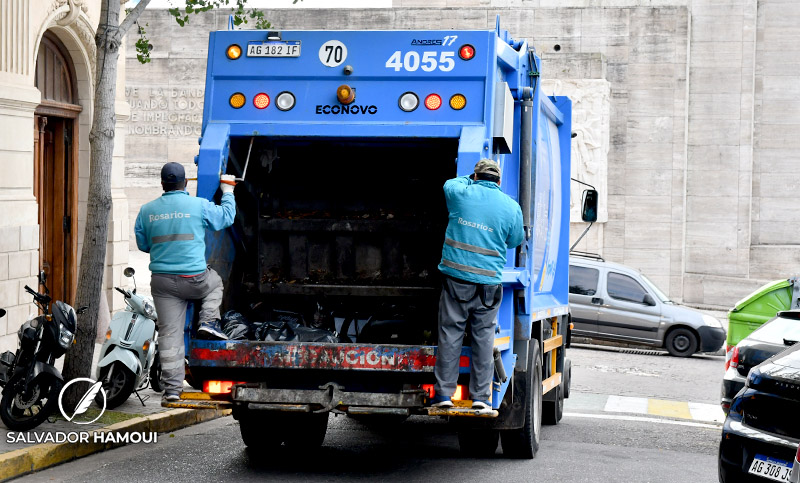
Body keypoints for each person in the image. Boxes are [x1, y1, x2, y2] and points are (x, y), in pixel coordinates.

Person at [134, 162, 236, 402]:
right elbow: (226, 218)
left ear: (162, 184)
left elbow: (143, 245)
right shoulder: (198, 206)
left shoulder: (146, 210)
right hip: (196, 279)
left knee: (170, 335)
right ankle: (209, 321)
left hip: (163, 284)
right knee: (215, 282)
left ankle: (171, 391)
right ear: (185, 183)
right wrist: (228, 191)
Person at [431, 159, 524, 414]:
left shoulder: (461, 192)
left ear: (476, 175)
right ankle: (481, 398)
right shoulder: (510, 207)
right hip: (488, 286)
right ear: (499, 182)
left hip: (456, 281)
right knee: (483, 339)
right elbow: (515, 239)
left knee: (451, 335)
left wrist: (470, 178)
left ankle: (443, 395)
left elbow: (450, 184)